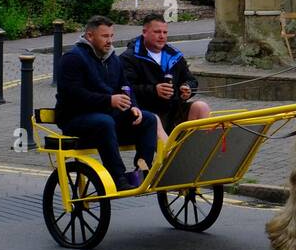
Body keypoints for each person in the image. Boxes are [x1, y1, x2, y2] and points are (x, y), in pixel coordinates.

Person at [55, 15, 157, 190]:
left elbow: (125, 85)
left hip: (106, 117)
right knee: (105, 122)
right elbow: (74, 95)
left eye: (111, 36)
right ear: (89, 36)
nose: (109, 41)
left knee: (148, 119)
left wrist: (134, 107)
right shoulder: (73, 58)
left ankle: (142, 172)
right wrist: (109, 100)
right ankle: (117, 177)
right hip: (75, 118)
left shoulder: (112, 58)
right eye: (104, 36)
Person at [122, 15, 210, 137]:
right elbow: (125, 89)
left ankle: (195, 151)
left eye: (165, 32)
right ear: (144, 32)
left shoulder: (174, 55)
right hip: (145, 111)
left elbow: (190, 80)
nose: (162, 36)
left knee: (201, 107)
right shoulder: (129, 57)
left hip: (173, 108)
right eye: (157, 32)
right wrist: (154, 90)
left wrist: (187, 88)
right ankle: (171, 154)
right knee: (154, 120)